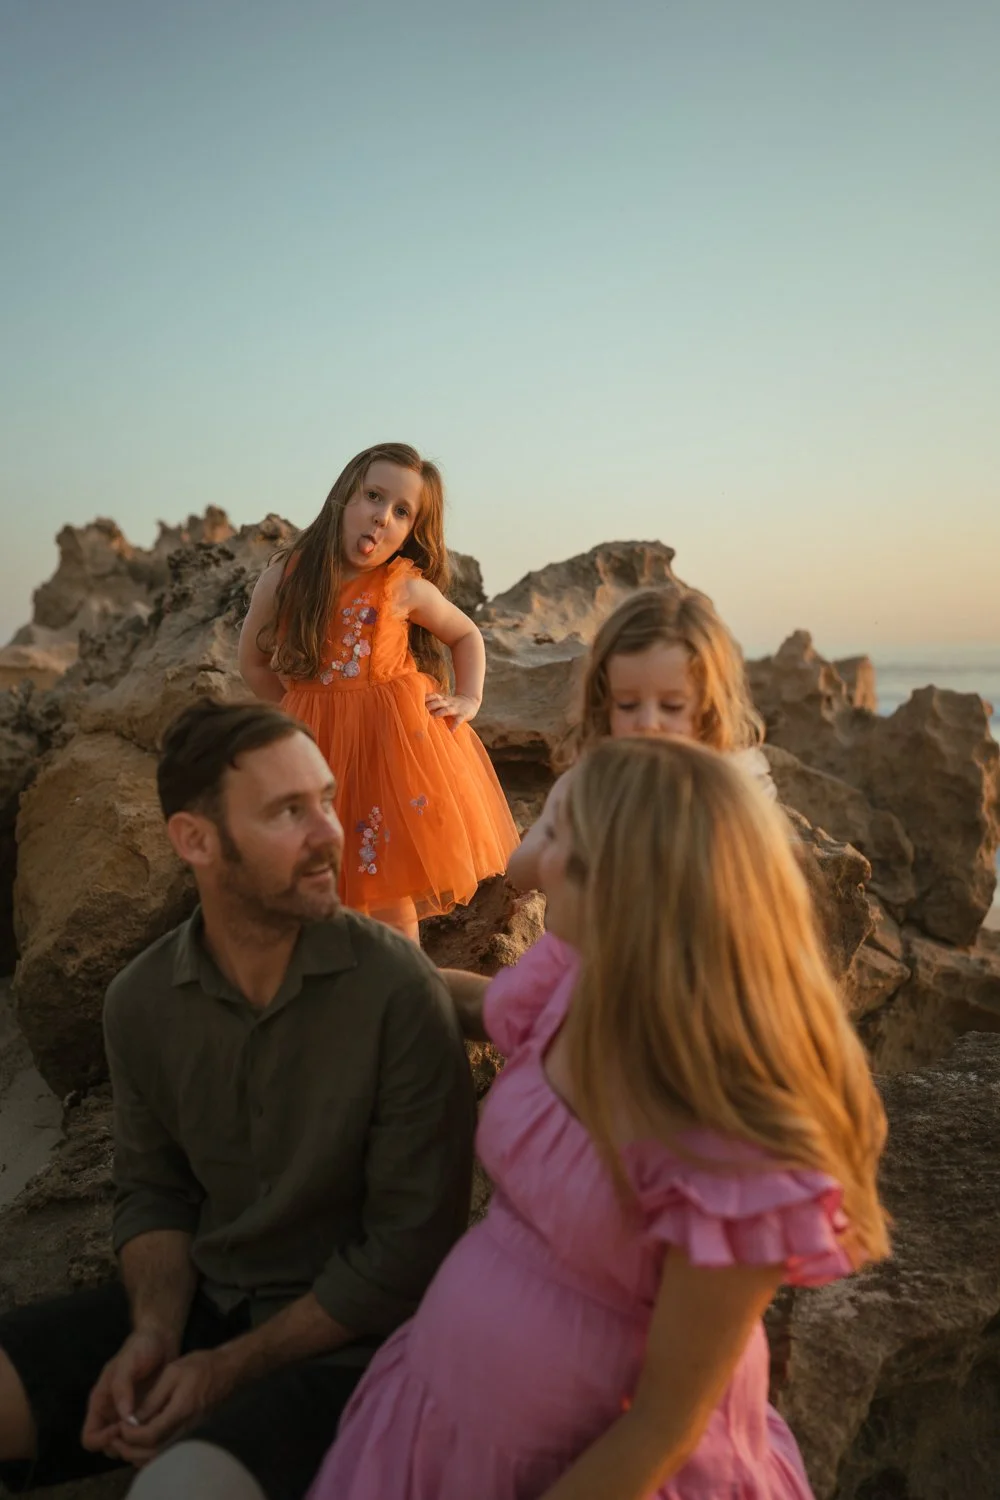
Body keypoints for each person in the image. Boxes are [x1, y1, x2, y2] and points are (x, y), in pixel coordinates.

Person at [309, 736, 890, 1500]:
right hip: (434, 1425)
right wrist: (347, 953)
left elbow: (663, 1428)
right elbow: (477, 1004)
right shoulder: (583, 981)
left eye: (557, 834)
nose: (533, 864)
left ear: (625, 878)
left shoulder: (736, 1141)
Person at [0, 698, 476, 1500]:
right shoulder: (139, 1000)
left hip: (360, 1349)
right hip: (205, 1306)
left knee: (176, 1490)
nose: (329, 833)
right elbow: (154, 1192)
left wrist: (223, 1372)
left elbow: (405, 1257)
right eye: (289, 811)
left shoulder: (397, 991)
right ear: (195, 839)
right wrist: (154, 1334)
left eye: (327, 800)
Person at [238, 441, 519, 943]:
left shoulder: (401, 587)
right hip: (315, 746)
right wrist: (292, 720)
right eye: (373, 496)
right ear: (344, 495)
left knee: (385, 886)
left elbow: (465, 635)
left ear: (411, 531)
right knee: (315, 879)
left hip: (390, 751)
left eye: (401, 512)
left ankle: (403, 982)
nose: (381, 517)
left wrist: (468, 699)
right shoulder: (285, 578)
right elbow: (252, 662)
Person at [507, 582, 776, 894]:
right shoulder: (588, 784)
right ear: (604, 703)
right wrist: (573, 836)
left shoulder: (728, 788)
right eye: (627, 704)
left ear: (708, 709)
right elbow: (520, 872)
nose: (648, 723)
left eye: (671, 706)